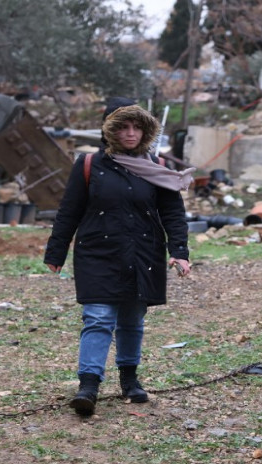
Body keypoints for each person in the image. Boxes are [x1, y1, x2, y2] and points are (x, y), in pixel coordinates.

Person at [44, 97, 193, 417]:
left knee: (131, 319)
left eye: (137, 127)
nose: (130, 134)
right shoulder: (88, 165)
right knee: (98, 317)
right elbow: (68, 212)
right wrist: (56, 251)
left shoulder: (158, 168)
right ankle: (89, 385)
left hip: (143, 253)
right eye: (123, 126)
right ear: (109, 128)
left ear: (146, 130)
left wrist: (179, 252)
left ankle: (129, 380)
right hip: (98, 253)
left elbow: (173, 214)